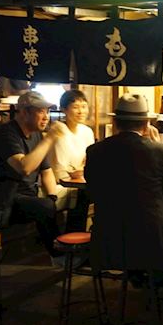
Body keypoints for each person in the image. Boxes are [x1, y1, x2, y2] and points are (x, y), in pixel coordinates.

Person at [85, 94, 163, 273]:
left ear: (115, 123)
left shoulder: (94, 151)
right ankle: (161, 286)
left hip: (108, 236)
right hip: (150, 237)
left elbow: (91, 184)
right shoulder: (159, 150)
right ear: (146, 125)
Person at [0, 91, 60, 259]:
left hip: (24, 197)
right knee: (45, 208)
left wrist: (53, 197)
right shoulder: (7, 134)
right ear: (25, 112)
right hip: (2, 200)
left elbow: (47, 171)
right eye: (41, 111)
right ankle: (59, 256)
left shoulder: (36, 135)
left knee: (65, 201)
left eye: (48, 112)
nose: (46, 117)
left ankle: (70, 250)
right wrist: (49, 140)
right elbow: (24, 167)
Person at [47, 89, 95, 231]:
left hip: (82, 179)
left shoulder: (87, 131)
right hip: (60, 182)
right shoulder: (59, 130)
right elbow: (61, 171)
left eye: (84, 106)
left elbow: (90, 161)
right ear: (64, 109)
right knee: (83, 194)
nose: (81, 111)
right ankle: (74, 240)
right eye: (75, 107)